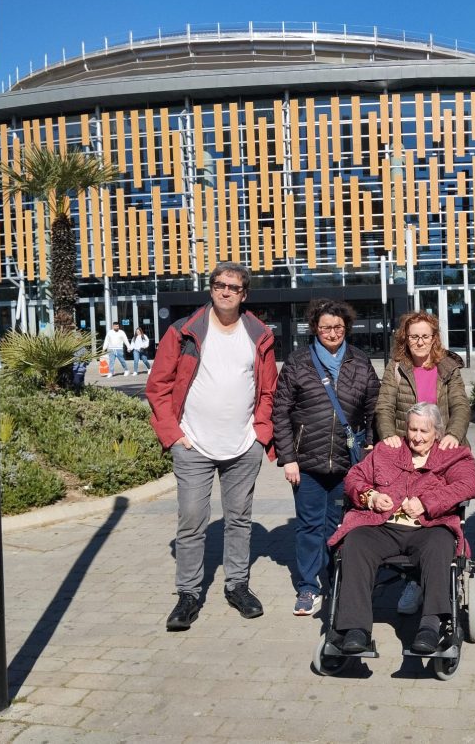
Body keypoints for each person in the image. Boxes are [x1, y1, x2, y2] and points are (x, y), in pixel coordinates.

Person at [146, 262, 277, 631]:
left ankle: (237, 585)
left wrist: (259, 435)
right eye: (219, 285)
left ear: (243, 294)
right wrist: (173, 435)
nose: (225, 291)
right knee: (191, 520)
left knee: (239, 520)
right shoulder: (183, 331)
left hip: (242, 446)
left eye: (233, 287)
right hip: (193, 445)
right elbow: (158, 386)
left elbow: (269, 390)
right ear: (211, 289)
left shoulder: (259, 334)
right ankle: (188, 594)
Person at [327, 403, 475, 655]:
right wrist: (371, 497)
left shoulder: (453, 455)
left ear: (437, 433)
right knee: (355, 541)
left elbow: (469, 485)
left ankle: (431, 626)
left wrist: (427, 503)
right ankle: (355, 629)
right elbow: (354, 478)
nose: (417, 437)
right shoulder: (386, 451)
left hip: (428, 527)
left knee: (440, 544)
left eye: (424, 431)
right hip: (383, 525)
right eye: (412, 429)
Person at [273, 299, 380, 617]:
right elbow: (280, 410)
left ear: (346, 327)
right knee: (308, 526)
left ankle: (339, 583)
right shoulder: (298, 361)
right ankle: (308, 587)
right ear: (315, 329)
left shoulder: (360, 362)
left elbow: (375, 407)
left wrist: (372, 446)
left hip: (348, 461)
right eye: (325, 327)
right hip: (306, 461)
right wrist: (287, 457)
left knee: (340, 525)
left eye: (337, 327)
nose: (332, 332)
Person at [375, 310, 471, 616]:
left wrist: (454, 434)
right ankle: (414, 576)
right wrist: (388, 435)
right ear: (405, 338)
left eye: (425, 336)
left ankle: (427, 576)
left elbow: (460, 406)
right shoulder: (396, 368)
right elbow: (384, 407)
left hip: (441, 451)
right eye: (413, 336)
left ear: (434, 338)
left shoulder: (449, 367)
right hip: (407, 452)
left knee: (436, 511)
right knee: (405, 513)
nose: (419, 342)